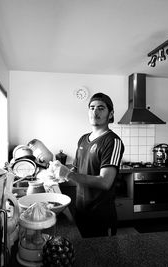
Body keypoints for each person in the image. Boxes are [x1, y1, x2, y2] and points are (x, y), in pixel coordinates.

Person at [49, 93, 124, 238]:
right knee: (85, 255)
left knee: (103, 258)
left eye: (101, 108)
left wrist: (68, 174)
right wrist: (59, 175)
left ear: (111, 114)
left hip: (101, 216)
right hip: (82, 211)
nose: (95, 112)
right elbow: (77, 171)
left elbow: (105, 182)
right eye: (92, 108)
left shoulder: (112, 141)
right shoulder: (83, 139)